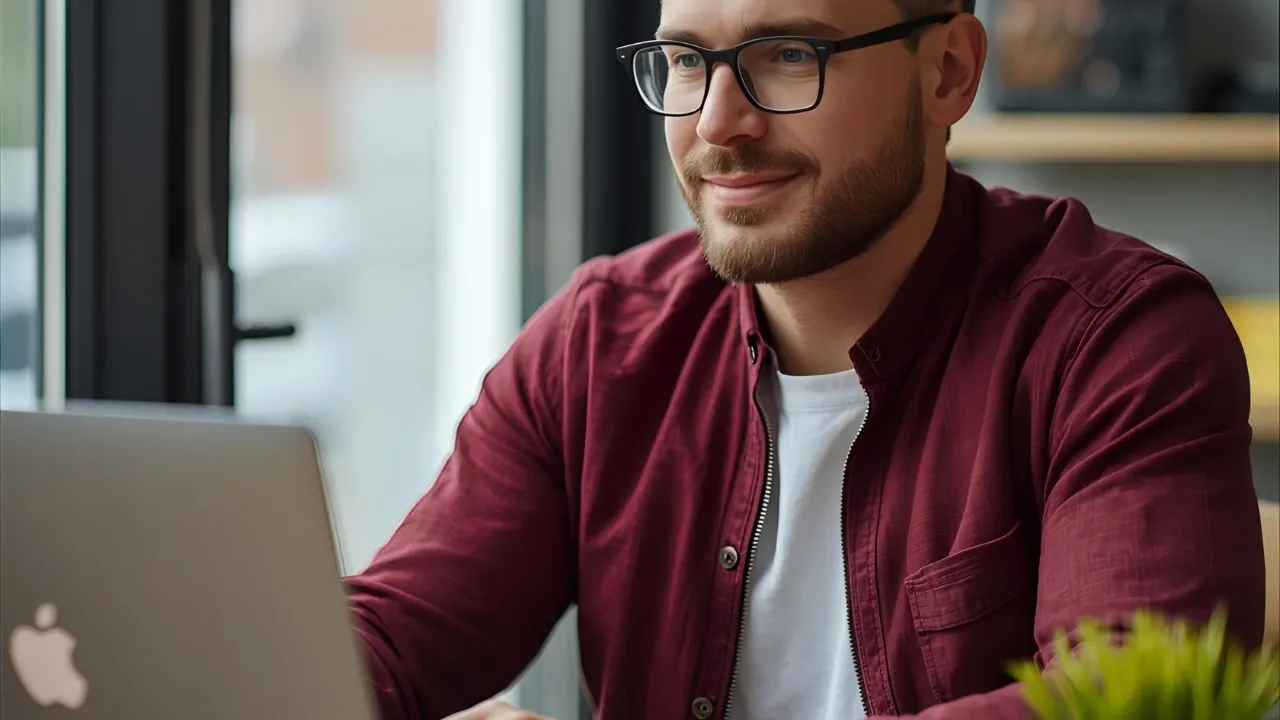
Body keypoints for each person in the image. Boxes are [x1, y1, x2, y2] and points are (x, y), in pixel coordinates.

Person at [344, 0, 1267, 717]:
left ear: (947, 72)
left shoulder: (1118, 340)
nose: (719, 122)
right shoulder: (597, 347)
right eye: (685, 61)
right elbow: (392, 637)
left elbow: (1118, 703)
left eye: (789, 54)